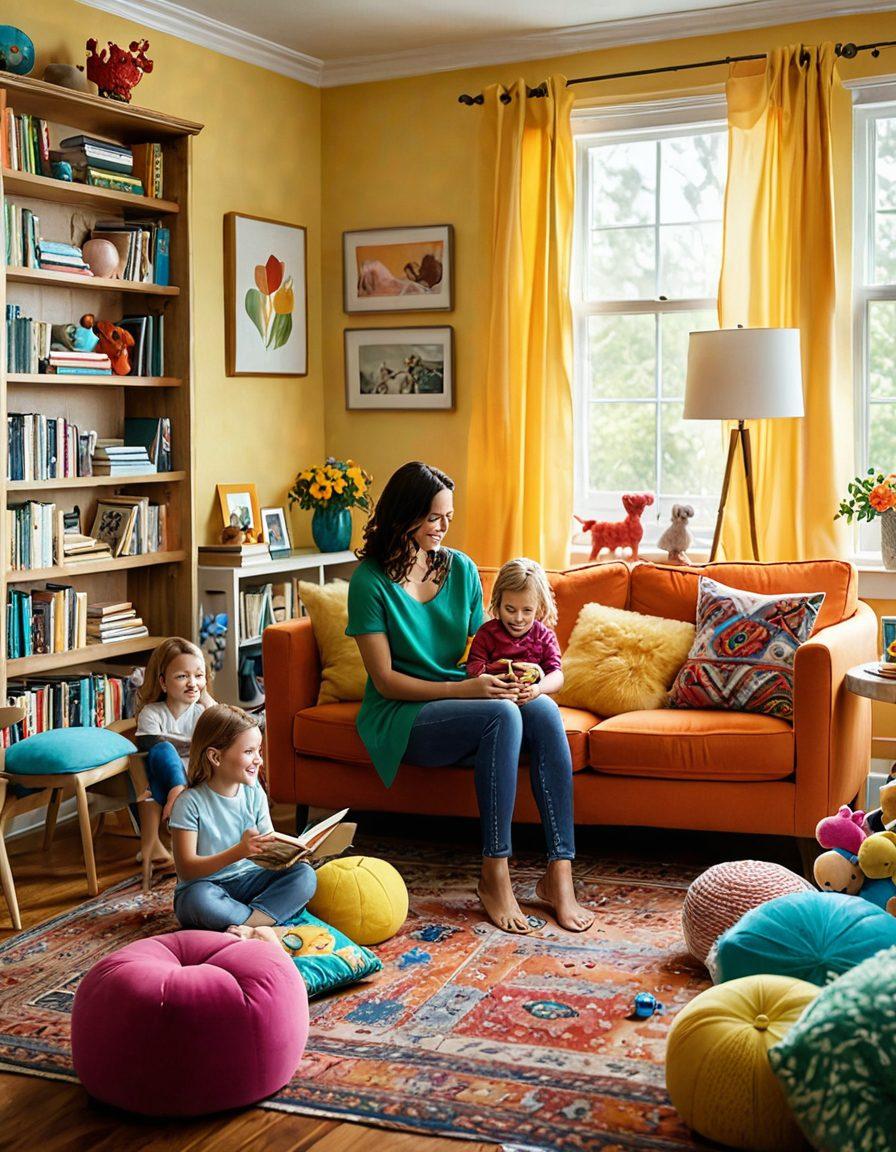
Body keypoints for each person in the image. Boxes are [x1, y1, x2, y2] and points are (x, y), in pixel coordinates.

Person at [346, 461, 594, 935]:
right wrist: (471, 690)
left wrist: (519, 676)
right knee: (500, 715)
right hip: (404, 712)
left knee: (539, 707)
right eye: (436, 517)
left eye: (448, 518)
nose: (444, 527)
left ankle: (558, 873)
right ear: (407, 514)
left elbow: (481, 645)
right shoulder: (369, 582)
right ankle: (493, 872)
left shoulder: (458, 568)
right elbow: (385, 682)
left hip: (463, 697)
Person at [169, 704, 316, 932]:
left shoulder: (253, 790)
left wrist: (295, 855)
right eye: (249, 752)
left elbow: (270, 845)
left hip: (251, 880)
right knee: (196, 900)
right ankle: (262, 921)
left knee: (305, 875)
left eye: (259, 751)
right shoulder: (188, 803)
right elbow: (186, 869)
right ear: (216, 757)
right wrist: (239, 851)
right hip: (208, 887)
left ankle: (247, 924)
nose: (258, 760)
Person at [135, 638, 214, 824]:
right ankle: (177, 790)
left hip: (198, 778)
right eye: (182, 676)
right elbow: (148, 747)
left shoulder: (203, 712)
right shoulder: (152, 713)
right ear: (163, 682)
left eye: (199, 675)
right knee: (163, 749)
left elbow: (225, 729)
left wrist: (207, 700)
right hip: (162, 781)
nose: (192, 683)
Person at [466, 558, 563, 696]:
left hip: (532, 697)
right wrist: (493, 682)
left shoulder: (544, 636)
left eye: (527, 610)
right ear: (498, 603)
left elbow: (556, 674)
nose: (518, 619)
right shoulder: (487, 633)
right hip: (496, 698)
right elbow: (473, 668)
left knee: (545, 707)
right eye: (510, 610)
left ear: (539, 608)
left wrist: (538, 689)